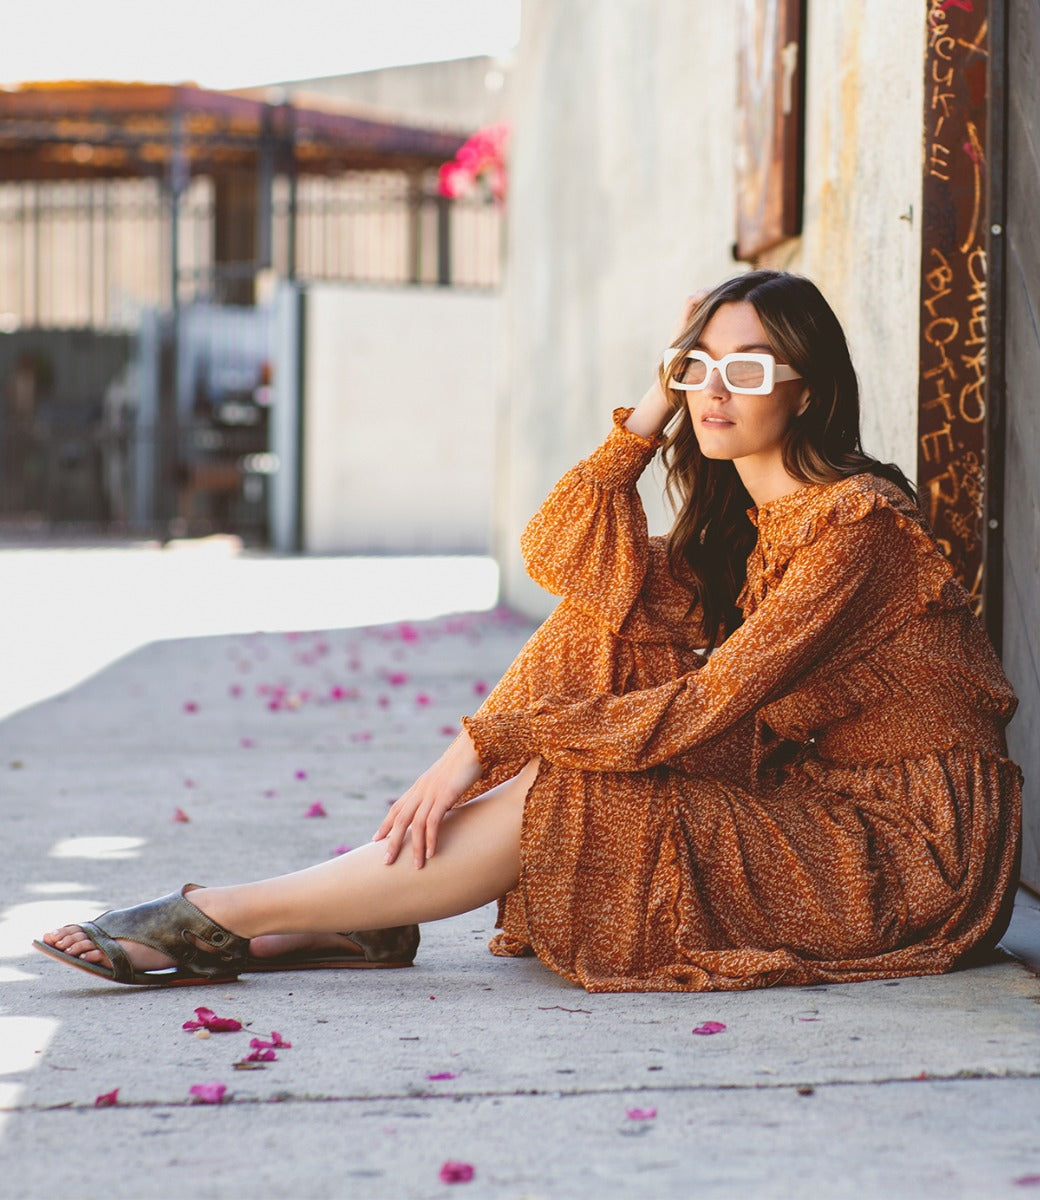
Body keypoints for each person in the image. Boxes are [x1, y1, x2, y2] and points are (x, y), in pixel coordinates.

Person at [36, 269, 1022, 994]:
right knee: (610, 606)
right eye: (696, 367)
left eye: (749, 367)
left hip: (907, 850)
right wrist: (643, 418)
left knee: (572, 783)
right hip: (811, 801)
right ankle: (330, 919)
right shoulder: (746, 531)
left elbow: (706, 708)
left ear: (805, 388)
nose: (714, 390)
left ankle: (236, 915)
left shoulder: (856, 530)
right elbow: (562, 547)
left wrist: (487, 743)